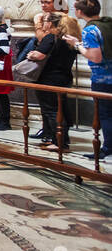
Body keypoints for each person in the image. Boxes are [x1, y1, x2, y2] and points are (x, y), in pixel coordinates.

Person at [27, 11, 78, 152]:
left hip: (49, 78)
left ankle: (59, 142)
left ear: (50, 23)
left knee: (52, 110)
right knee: (60, 109)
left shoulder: (52, 37)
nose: (43, 23)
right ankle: (61, 140)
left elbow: (39, 54)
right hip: (64, 77)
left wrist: (31, 54)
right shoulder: (69, 38)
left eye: (45, 21)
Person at [68, 0, 112, 161]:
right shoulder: (108, 24)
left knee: (106, 114)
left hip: (103, 79)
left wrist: (77, 44)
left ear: (79, 11)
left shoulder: (89, 30)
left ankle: (107, 147)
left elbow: (95, 57)